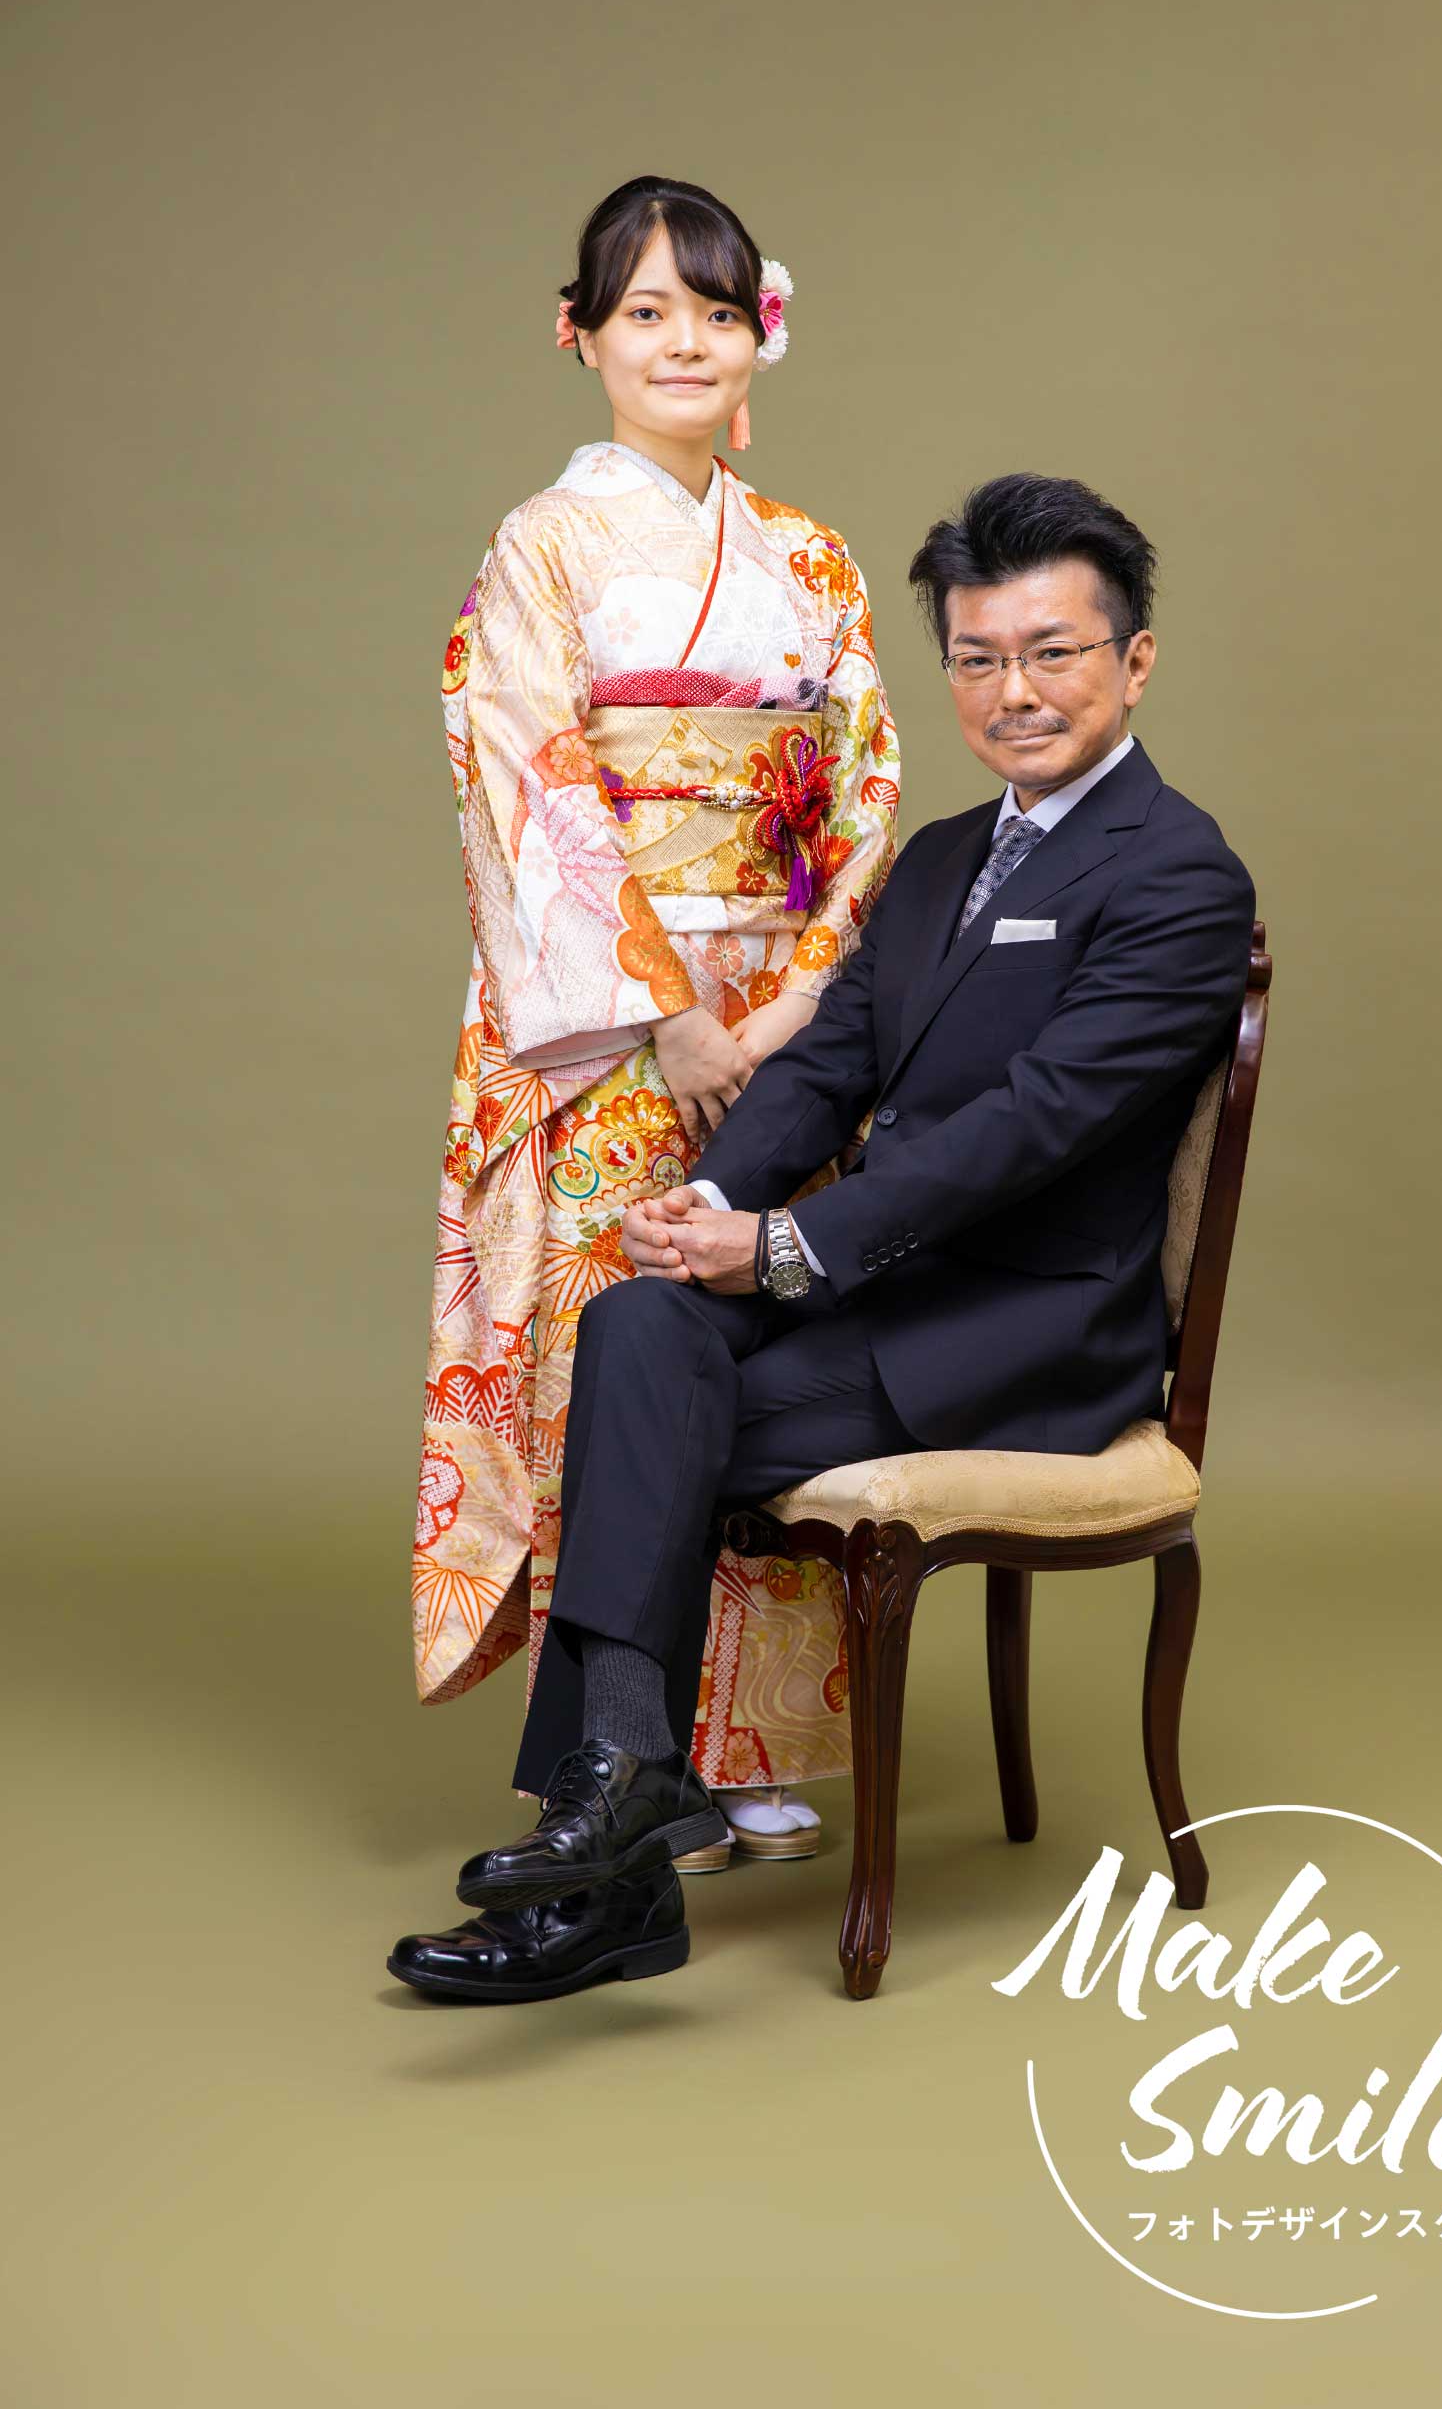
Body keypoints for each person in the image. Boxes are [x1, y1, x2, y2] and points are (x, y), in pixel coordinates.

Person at [389, 470, 1255, 2003]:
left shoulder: (1179, 873)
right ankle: (627, 1799)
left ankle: (598, 1866)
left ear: (1133, 661)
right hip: (883, 1293)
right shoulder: (937, 862)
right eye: (978, 658)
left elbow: (1035, 1124)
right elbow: (827, 1065)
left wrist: (785, 1253)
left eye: (1052, 652)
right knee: (637, 1325)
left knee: (657, 1412)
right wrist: (719, 1202)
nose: (1015, 691)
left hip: (1029, 1335)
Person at [409, 177, 901, 1887]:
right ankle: (622, 1752)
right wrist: (673, 1015)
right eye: (642, 312)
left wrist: (804, 998)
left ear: (759, 333)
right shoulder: (542, 547)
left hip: (784, 1006)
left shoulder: (811, 557)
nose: (681, 342)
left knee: (760, 1329)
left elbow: (865, 788)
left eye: (713, 311)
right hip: (613, 1019)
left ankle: (747, 1745)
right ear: (580, 336)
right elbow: (525, 783)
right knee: (615, 1340)